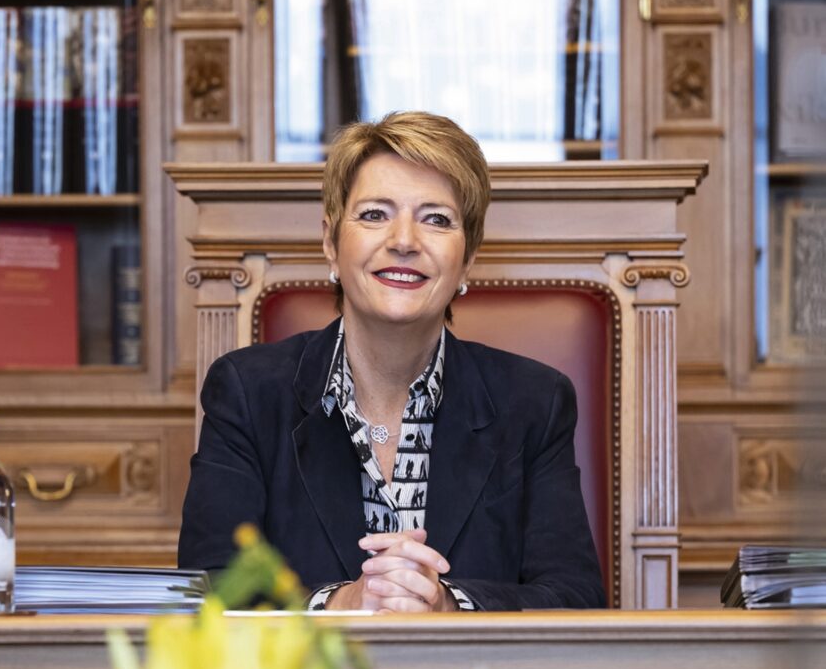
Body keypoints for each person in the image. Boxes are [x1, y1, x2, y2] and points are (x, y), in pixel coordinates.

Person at [178, 111, 605, 612]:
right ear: (330, 244)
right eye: (375, 214)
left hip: (471, 665)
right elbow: (208, 591)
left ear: (468, 259)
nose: (404, 241)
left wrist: (450, 605)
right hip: (307, 666)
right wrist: (340, 604)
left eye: (436, 219)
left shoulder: (534, 403)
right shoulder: (247, 393)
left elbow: (574, 599)